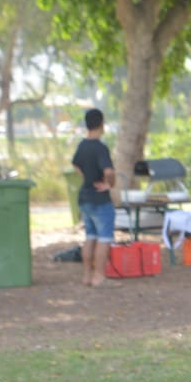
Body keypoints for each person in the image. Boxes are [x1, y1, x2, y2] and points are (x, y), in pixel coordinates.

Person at [70, 108, 115, 287]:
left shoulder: (82, 145)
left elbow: (75, 164)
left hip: (84, 196)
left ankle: (87, 275)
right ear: (101, 124)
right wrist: (109, 183)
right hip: (100, 199)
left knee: (90, 236)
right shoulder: (100, 147)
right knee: (104, 238)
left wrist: (87, 177)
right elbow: (109, 171)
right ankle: (99, 276)